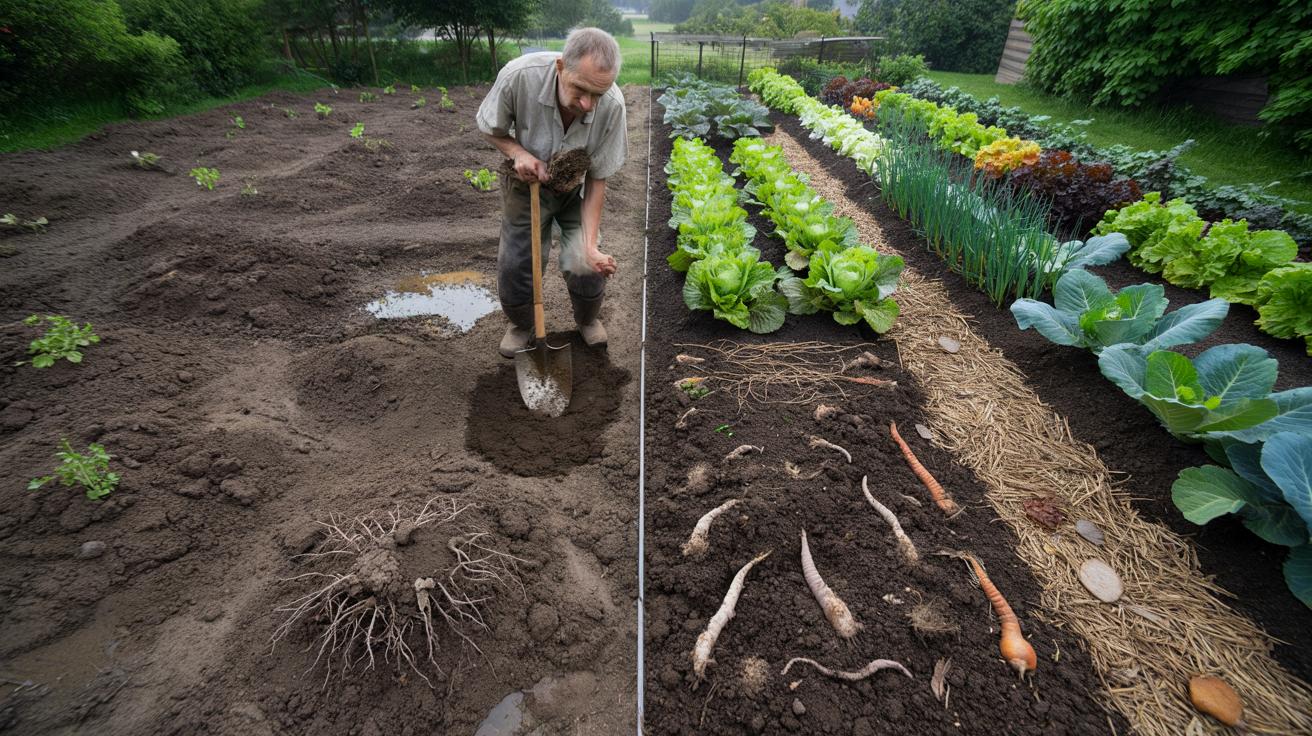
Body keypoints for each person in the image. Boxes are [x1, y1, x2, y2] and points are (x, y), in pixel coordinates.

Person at [476, 27, 628, 359]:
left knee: (584, 261)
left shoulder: (612, 105)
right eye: (581, 90)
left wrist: (590, 246)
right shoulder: (520, 77)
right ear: (561, 67)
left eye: (597, 95)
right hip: (525, 182)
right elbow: (491, 128)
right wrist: (518, 153)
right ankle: (521, 325)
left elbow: (598, 179)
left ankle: (587, 320)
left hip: (576, 186)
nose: (588, 104)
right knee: (518, 262)